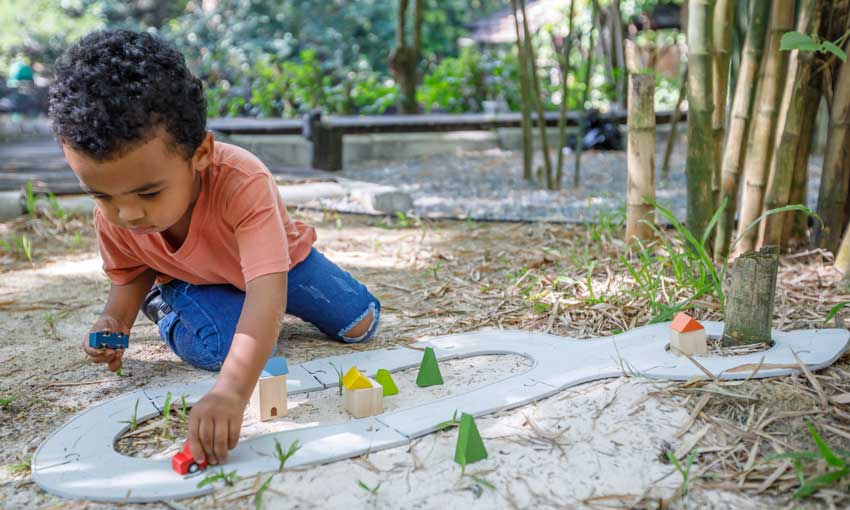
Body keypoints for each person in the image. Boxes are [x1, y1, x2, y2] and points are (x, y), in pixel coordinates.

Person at [48, 29, 380, 467]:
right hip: (193, 281)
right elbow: (129, 273)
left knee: (362, 323)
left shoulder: (244, 180)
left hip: (278, 266)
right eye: (102, 196)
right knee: (230, 351)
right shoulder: (118, 213)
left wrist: (230, 392)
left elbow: (268, 291)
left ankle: (229, 307)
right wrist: (116, 319)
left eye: (148, 193)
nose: (127, 215)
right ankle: (164, 306)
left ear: (200, 153)